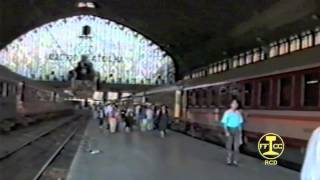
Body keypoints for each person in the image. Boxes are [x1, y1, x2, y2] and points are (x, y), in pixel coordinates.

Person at [221, 99, 244, 166]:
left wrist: (240, 134)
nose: (235, 105)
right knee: (229, 146)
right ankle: (228, 159)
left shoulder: (238, 113)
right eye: (233, 103)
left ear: (237, 105)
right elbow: (224, 123)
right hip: (229, 129)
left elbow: (240, 123)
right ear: (231, 105)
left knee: (236, 147)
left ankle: (235, 161)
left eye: (236, 104)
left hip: (237, 130)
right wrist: (226, 131)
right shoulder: (227, 112)